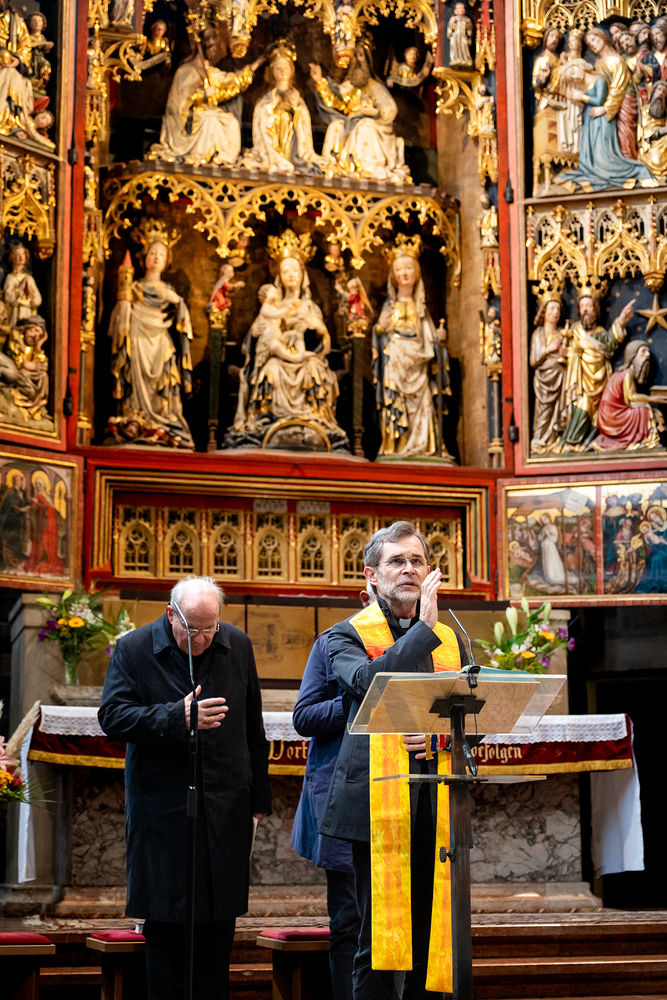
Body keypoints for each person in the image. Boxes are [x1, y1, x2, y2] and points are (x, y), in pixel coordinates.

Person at [98, 576, 271, 1000]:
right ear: (171, 614)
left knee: (218, 926)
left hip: (226, 806)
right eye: (193, 629)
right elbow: (113, 717)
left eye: (211, 628)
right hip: (163, 809)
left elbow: (253, 726)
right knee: (168, 924)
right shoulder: (134, 647)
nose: (204, 638)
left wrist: (259, 798)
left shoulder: (237, 644)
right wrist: (176, 717)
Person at [318, 520, 468, 1000]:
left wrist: (441, 739)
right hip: (377, 802)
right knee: (378, 940)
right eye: (397, 561)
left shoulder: (452, 638)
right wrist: (423, 629)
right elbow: (369, 684)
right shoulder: (345, 635)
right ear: (372, 575)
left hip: (438, 799)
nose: (409, 569)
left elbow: (473, 713)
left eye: (417, 561)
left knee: (432, 933)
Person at [290, 586, 375, 1000]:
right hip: (348, 797)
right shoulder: (335, 641)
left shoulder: (432, 641)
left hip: (408, 797)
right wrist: (358, 702)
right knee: (350, 922)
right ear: (366, 596)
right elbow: (304, 716)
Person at [310, 39, 411, 184]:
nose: (357, 60)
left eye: (360, 56)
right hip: (350, 123)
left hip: (374, 126)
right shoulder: (349, 86)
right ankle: (332, 165)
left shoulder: (375, 86)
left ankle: (366, 168)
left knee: (364, 126)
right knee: (335, 126)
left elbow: (390, 108)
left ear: (367, 61)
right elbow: (335, 101)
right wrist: (320, 80)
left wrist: (374, 113)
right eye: (354, 56)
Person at [594, 340, 663, 451]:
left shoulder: (623, 373)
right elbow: (632, 398)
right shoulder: (627, 374)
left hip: (609, 415)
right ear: (632, 357)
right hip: (612, 417)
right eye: (643, 351)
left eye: (648, 351)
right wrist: (652, 399)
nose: (648, 355)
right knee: (644, 410)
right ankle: (648, 441)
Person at [529, 296, 569, 453]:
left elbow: (569, 358)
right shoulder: (538, 334)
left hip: (561, 379)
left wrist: (567, 354)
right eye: (551, 309)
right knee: (544, 413)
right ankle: (540, 441)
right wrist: (548, 349)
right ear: (544, 312)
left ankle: (558, 440)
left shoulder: (562, 333)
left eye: (558, 309)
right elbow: (533, 360)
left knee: (559, 412)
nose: (555, 312)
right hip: (544, 381)